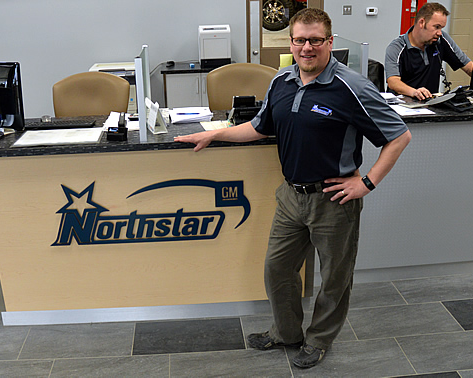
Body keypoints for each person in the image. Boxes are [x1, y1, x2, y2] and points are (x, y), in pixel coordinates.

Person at [175, 8, 411, 368]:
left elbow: (399, 136)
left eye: (315, 40)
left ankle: (318, 340)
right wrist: (214, 134)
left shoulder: (352, 86)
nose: (307, 48)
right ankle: (286, 333)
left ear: (329, 42)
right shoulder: (281, 81)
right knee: (277, 269)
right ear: (291, 42)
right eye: (300, 40)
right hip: (290, 196)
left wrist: (367, 182)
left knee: (334, 277)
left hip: (334, 200)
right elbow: (258, 127)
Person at [385, 2, 473, 100]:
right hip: (403, 106)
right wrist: (414, 92)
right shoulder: (397, 47)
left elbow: (468, 66)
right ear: (422, 23)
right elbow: (393, 81)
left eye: (441, 28)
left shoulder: (441, 40)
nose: (439, 33)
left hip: (430, 105)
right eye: (436, 27)